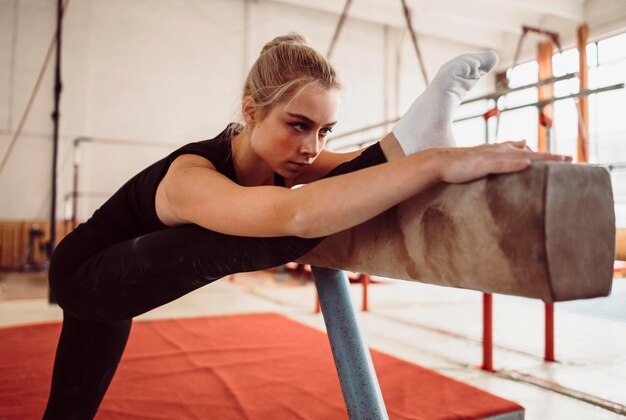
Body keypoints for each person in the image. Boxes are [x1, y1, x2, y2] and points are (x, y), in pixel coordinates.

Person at [43, 33, 569, 418]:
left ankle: (421, 133)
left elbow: (360, 170)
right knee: (260, 232)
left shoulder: (287, 160)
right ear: (252, 112)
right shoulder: (191, 177)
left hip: (118, 280)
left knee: (69, 410)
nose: (312, 147)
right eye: (298, 125)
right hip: (86, 273)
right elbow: (294, 216)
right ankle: (422, 140)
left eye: (324, 130)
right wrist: (433, 164)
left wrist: (418, 148)